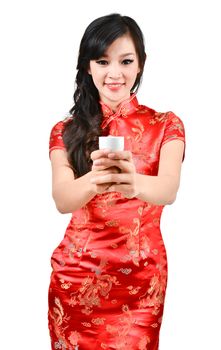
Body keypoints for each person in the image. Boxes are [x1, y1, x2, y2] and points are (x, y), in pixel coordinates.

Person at [48, 13, 186, 350]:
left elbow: (168, 189)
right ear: (88, 67)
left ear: (140, 64)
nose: (115, 73)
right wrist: (97, 179)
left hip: (141, 282)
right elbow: (63, 199)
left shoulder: (166, 124)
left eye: (126, 61)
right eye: (102, 61)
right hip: (77, 278)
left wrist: (131, 181)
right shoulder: (65, 131)